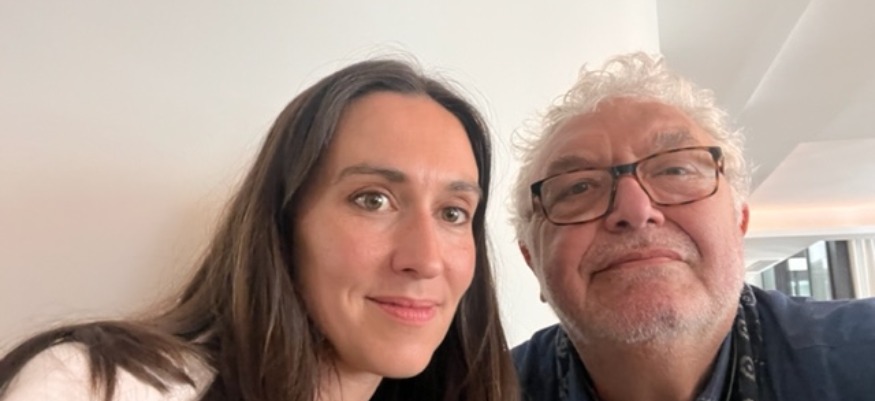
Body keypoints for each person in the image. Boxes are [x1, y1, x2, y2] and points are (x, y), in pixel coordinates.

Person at [0, 59, 520, 401]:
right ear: (283, 221)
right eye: (373, 200)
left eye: (453, 212)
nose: (425, 259)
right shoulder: (95, 385)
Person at [509, 52, 875, 401]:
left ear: (739, 222)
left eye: (675, 170)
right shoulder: (485, 389)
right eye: (579, 188)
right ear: (532, 261)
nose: (635, 210)